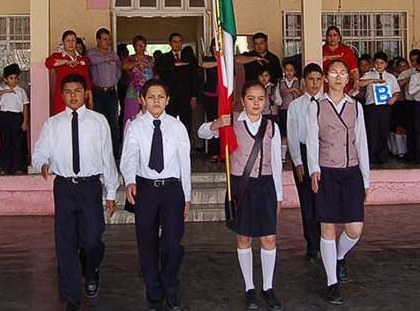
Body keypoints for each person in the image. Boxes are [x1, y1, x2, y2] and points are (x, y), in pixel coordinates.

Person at [32, 73, 119, 311]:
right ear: (62, 95)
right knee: (65, 242)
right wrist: (41, 163)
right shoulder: (53, 123)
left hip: (90, 186)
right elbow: (40, 151)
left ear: (85, 94)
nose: (73, 96)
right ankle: (71, 297)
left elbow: (107, 157)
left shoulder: (98, 121)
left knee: (92, 239)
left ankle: (91, 269)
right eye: (68, 92)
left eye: (77, 91)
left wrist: (111, 191)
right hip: (64, 187)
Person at [198, 80, 284, 311]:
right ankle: (249, 287)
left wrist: (279, 195)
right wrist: (217, 123)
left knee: (269, 239)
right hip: (241, 186)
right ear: (242, 100)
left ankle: (268, 287)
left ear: (266, 101)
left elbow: (276, 163)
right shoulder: (232, 121)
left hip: (265, 185)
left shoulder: (272, 126)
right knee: (244, 238)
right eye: (251, 98)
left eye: (260, 99)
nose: (256, 103)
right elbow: (202, 132)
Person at [120, 78, 191, 311]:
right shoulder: (135, 126)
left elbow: (185, 163)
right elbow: (129, 156)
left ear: (168, 100)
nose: (156, 101)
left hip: (171, 189)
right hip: (145, 188)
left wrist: (187, 195)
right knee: (146, 242)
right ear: (142, 100)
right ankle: (153, 292)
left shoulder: (177, 127)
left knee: (172, 242)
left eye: (161, 96)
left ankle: (170, 286)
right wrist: (129, 180)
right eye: (151, 97)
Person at [306, 59, 370, 305]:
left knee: (355, 228)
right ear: (326, 78)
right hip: (327, 171)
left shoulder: (355, 106)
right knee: (328, 227)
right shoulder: (317, 106)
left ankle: (339, 256)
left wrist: (365, 178)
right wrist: (313, 169)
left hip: (351, 170)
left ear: (347, 79)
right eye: (333, 73)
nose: (338, 77)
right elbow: (312, 140)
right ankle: (332, 281)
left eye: (343, 73)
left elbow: (361, 143)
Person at [287, 63, 323, 263]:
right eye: (311, 79)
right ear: (304, 81)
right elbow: (292, 135)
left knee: (323, 201)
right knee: (307, 202)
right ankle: (312, 243)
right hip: (303, 152)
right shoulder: (296, 105)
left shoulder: (327, 103)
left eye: (318, 79)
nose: (315, 83)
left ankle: (325, 241)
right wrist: (298, 160)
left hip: (323, 154)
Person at [358, 52, 400, 165]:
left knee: (384, 131)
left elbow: (396, 91)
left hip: (385, 107)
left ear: (386, 64)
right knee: (372, 132)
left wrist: (394, 98)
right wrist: (373, 80)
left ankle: (382, 156)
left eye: (381, 63)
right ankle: (371, 156)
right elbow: (359, 83)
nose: (379, 65)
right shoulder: (369, 75)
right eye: (376, 63)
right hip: (372, 107)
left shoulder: (390, 77)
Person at [155, 33, 198, 135]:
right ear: (170, 43)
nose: (177, 44)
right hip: (170, 96)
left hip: (185, 96)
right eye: (174, 41)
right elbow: (158, 69)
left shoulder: (189, 57)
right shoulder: (164, 57)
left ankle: (185, 147)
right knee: (168, 122)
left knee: (186, 123)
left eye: (179, 41)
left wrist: (194, 96)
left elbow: (194, 77)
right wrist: (174, 65)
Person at [87, 28, 121, 157]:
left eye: (109, 39)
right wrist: (106, 59)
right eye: (105, 39)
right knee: (97, 123)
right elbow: (93, 61)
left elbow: (118, 71)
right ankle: (97, 152)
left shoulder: (114, 55)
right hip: (97, 92)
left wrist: (113, 80)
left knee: (112, 122)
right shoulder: (91, 53)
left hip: (111, 92)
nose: (108, 42)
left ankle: (114, 153)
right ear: (98, 40)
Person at [45, 30, 93, 115]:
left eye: (73, 41)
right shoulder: (58, 56)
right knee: (63, 121)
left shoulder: (82, 59)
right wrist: (66, 62)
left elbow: (87, 78)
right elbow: (48, 63)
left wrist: (90, 95)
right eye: (68, 41)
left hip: (80, 96)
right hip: (63, 97)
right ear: (63, 43)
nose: (71, 43)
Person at [0, 64, 30, 175]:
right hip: (4, 116)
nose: (14, 81)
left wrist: (25, 121)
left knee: (17, 142)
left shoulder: (21, 91)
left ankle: (17, 166)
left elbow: (25, 106)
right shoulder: (0, 89)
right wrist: (5, 91)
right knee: (5, 142)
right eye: (11, 78)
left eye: (16, 78)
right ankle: (6, 166)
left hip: (17, 117)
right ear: (5, 79)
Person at [122, 35, 156, 132]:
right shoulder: (130, 59)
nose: (141, 48)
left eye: (143, 45)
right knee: (131, 119)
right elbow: (125, 66)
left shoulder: (151, 60)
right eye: (138, 45)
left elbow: (156, 75)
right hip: (133, 94)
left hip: (148, 94)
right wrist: (138, 63)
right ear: (134, 46)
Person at [397, 49, 420, 162]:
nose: (415, 63)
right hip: (409, 102)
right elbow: (398, 84)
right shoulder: (407, 72)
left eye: (417, 60)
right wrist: (410, 78)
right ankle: (410, 152)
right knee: (410, 128)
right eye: (412, 60)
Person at [277, 61, 302, 164]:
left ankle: (296, 156)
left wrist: (295, 89)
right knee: (284, 134)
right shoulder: (280, 84)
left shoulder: (299, 82)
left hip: (297, 110)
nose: (289, 72)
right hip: (284, 110)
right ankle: (283, 157)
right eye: (287, 70)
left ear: (295, 71)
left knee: (296, 132)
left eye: (291, 70)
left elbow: (303, 94)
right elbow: (278, 100)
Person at [322, 26, 359, 93]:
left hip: (344, 88)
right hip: (325, 88)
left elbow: (354, 70)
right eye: (329, 35)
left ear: (339, 37)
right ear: (326, 38)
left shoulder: (346, 50)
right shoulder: (321, 50)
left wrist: (356, 81)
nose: (332, 38)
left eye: (335, 35)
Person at [202, 39, 220, 162]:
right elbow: (204, 65)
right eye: (215, 46)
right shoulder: (209, 59)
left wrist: (233, 97)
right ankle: (213, 153)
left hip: (224, 97)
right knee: (212, 124)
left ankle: (223, 152)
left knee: (224, 124)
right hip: (211, 96)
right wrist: (220, 62)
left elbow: (233, 79)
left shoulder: (228, 60)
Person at [389, 58, 410, 158]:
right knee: (398, 127)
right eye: (400, 66)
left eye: (405, 66)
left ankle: (405, 149)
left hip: (407, 103)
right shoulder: (394, 78)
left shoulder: (412, 74)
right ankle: (399, 150)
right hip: (398, 103)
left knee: (406, 127)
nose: (403, 68)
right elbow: (399, 84)